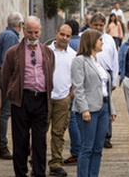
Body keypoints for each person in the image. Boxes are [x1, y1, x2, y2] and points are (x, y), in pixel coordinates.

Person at [1, 16, 55, 177]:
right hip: (22, 100)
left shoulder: (48, 52)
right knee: (20, 140)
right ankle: (21, 173)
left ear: (40, 31)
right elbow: (5, 77)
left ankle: (39, 173)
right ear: (24, 30)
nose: (33, 35)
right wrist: (12, 93)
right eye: (30, 32)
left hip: (41, 100)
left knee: (40, 140)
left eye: (36, 32)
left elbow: (50, 72)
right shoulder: (13, 52)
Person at [71, 29, 116, 177]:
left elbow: (106, 88)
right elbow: (78, 87)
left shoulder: (98, 62)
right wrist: (84, 109)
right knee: (87, 148)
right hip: (89, 110)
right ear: (91, 41)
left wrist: (111, 109)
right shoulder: (79, 61)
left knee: (98, 148)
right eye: (100, 39)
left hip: (103, 108)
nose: (102, 42)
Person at [47, 24, 76, 177]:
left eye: (68, 36)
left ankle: (55, 163)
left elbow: (76, 76)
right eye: (62, 34)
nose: (64, 38)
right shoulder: (46, 51)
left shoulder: (73, 54)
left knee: (58, 133)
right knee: (39, 132)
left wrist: (71, 93)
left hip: (63, 98)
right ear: (56, 33)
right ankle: (35, 162)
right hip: (45, 98)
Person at [0, 12, 24, 160]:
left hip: (3, 74)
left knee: (6, 110)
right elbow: (11, 60)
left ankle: (4, 144)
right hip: (9, 76)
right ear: (20, 25)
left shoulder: (4, 34)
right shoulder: (11, 37)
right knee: (7, 111)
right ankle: (3, 145)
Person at [90, 13, 119, 149]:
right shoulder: (85, 37)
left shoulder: (109, 40)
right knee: (92, 104)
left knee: (106, 105)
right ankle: (93, 134)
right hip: (90, 73)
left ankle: (106, 136)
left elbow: (114, 60)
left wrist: (114, 81)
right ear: (91, 24)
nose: (98, 27)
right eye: (95, 25)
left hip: (106, 74)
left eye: (101, 25)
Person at [63, 20, 82, 165]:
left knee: (73, 119)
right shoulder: (83, 42)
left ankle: (76, 151)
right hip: (82, 85)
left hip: (68, 87)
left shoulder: (67, 45)